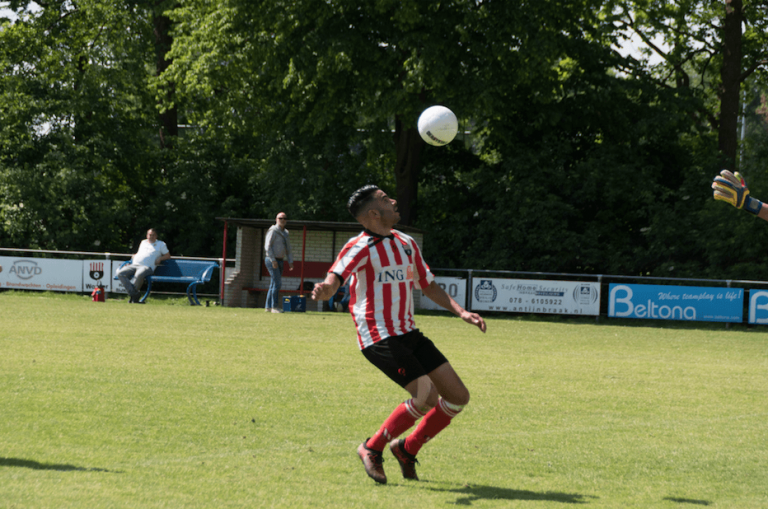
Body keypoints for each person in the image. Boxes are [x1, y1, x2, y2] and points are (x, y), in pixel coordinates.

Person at [311, 185, 486, 484]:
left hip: (408, 332)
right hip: (378, 336)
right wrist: (326, 289)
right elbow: (334, 278)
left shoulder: (406, 243)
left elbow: (427, 285)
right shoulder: (359, 246)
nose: (393, 200)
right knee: (426, 396)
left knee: (457, 396)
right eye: (384, 199)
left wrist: (461, 312)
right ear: (374, 213)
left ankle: (407, 448)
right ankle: (371, 447)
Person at [116, 228, 171, 303]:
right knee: (120, 273)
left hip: (147, 267)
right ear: (147, 235)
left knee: (139, 274)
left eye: (153, 235)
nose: (151, 236)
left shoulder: (161, 244)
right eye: (149, 234)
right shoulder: (143, 242)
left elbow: (168, 256)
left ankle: (134, 295)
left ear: (156, 236)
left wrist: (160, 258)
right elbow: (141, 253)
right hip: (135, 264)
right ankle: (134, 294)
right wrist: (135, 255)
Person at [264, 212, 294, 313]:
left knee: (273, 283)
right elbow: (267, 246)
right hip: (271, 260)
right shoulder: (273, 231)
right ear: (276, 219)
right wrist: (273, 260)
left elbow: (288, 248)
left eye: (285, 218)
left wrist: (290, 262)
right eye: (280, 218)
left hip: (281, 260)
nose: (283, 220)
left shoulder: (286, 233)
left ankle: (268, 307)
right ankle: (274, 307)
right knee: (277, 283)